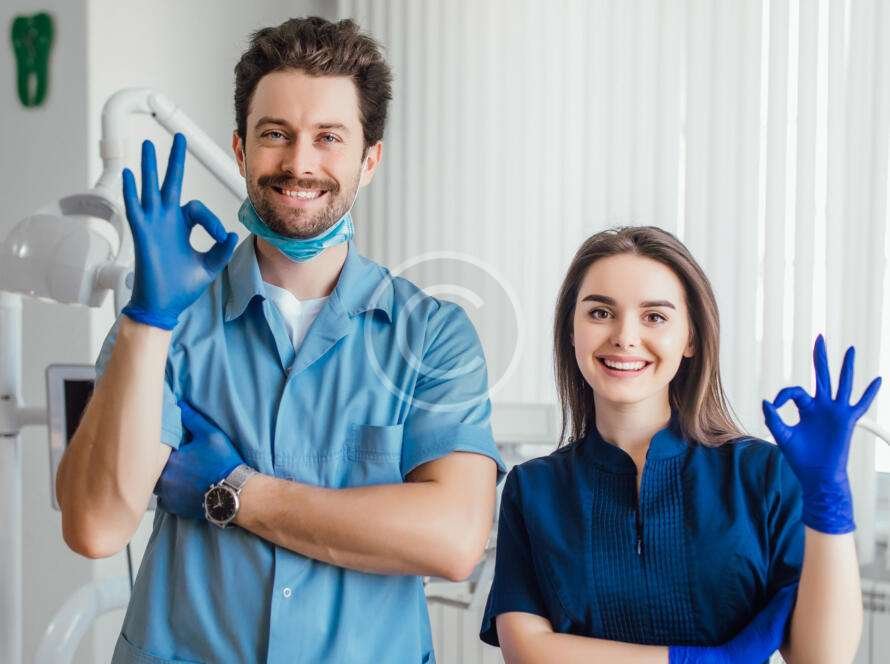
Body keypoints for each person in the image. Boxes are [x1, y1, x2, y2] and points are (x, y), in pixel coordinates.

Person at [55, 17, 504, 664]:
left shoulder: (432, 337)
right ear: (239, 150)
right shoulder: (170, 319)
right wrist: (147, 320)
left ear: (368, 159)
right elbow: (96, 525)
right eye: (276, 135)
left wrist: (234, 491)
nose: (299, 162)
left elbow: (454, 540)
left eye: (328, 138)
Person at [480, 226, 879, 663]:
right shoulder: (533, 489)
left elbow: (823, 658)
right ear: (571, 331)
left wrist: (830, 496)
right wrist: (705, 661)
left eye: (655, 316)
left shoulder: (762, 476)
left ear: (690, 338)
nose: (625, 337)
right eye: (600, 313)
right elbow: (528, 653)